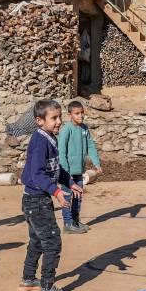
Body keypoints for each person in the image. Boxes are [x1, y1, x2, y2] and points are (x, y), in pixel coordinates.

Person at [18, 99, 76, 291]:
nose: (59, 121)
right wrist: (56, 191)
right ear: (39, 121)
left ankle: (28, 279)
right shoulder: (39, 142)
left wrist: (69, 182)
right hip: (36, 201)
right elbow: (37, 174)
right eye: (54, 118)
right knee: (52, 241)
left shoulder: (49, 137)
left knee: (37, 240)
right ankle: (47, 287)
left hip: (36, 199)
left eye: (60, 117)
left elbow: (56, 169)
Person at [57, 100, 103, 234]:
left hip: (79, 171)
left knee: (78, 196)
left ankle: (75, 221)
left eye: (82, 112)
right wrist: (66, 173)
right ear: (70, 114)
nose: (80, 115)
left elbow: (90, 146)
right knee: (67, 197)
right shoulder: (66, 130)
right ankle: (68, 224)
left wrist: (96, 163)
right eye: (77, 113)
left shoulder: (84, 128)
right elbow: (61, 152)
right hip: (67, 174)